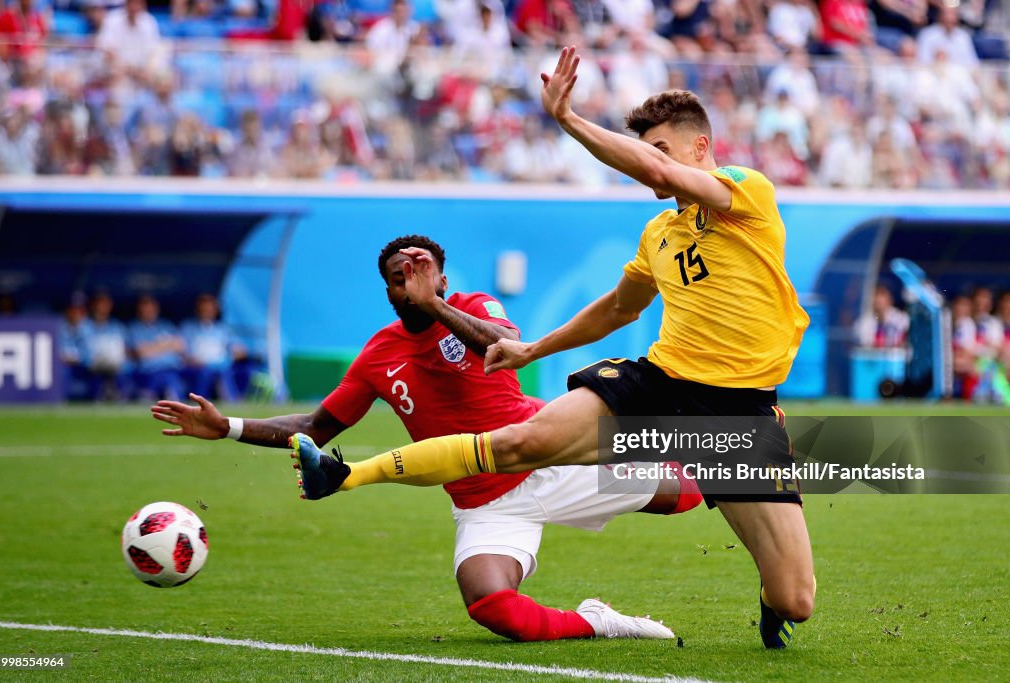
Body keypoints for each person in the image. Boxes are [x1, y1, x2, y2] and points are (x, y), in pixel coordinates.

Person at [297, 47, 815, 650]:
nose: (652, 163)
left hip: (739, 411)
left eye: (661, 148)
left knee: (794, 599)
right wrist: (532, 349)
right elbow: (620, 308)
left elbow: (666, 177)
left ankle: (755, 565)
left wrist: (568, 119)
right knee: (524, 442)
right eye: (645, 149)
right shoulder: (659, 233)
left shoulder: (746, 193)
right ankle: (349, 475)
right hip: (659, 382)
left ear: (701, 148)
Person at [152, 235, 702, 642]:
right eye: (399, 276)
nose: (410, 281)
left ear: (442, 279)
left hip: (549, 458)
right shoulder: (378, 355)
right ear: (388, 290)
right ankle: (599, 621)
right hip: (482, 501)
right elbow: (315, 429)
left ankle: (766, 436)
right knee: (493, 607)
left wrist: (435, 306)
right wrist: (229, 427)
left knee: (692, 489)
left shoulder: (475, 308)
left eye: (422, 271)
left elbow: (505, 343)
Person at [180, 293, 244, 402]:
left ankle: (231, 400)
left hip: (220, 365)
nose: (207, 312)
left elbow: (238, 349)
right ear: (198, 310)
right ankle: (200, 401)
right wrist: (193, 360)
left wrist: (235, 353)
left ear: (216, 310)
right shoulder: (188, 328)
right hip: (197, 366)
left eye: (210, 309)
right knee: (207, 372)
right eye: (203, 309)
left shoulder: (223, 329)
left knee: (225, 371)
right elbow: (183, 351)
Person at [128, 294, 184, 400]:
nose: (149, 312)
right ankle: (155, 395)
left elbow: (179, 346)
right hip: (148, 372)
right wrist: (166, 345)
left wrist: (153, 347)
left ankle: (168, 397)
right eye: (145, 309)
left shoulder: (166, 325)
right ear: (139, 311)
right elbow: (141, 352)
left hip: (171, 369)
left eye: (151, 309)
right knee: (161, 377)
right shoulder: (134, 328)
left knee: (170, 377)